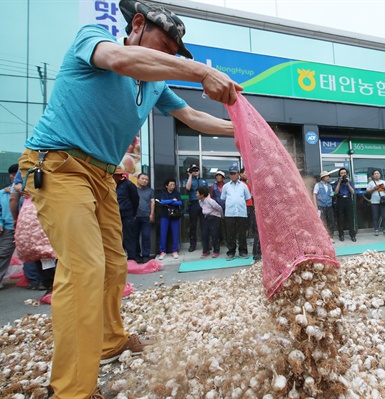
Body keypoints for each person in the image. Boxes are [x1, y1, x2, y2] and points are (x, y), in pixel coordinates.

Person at [17, 1, 242, 396]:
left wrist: (242, 130)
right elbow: (121, 59)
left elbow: (191, 116)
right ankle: (71, 389)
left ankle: (108, 340)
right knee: (84, 269)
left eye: (175, 54)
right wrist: (203, 70)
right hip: (58, 164)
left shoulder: (154, 85)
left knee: (115, 264)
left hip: (103, 177)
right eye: (165, 47)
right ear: (137, 24)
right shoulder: (95, 41)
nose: (168, 57)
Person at [221, 165, 251, 260]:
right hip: (230, 213)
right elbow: (223, 199)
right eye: (231, 174)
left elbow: (247, 198)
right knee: (230, 234)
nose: (233, 175)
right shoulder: (226, 187)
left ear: (238, 174)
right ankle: (231, 252)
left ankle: (243, 251)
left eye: (234, 173)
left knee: (242, 234)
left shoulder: (244, 186)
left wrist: (238, 203)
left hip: (241, 213)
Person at [114, 170, 140, 261]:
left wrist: (133, 213)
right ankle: (120, 258)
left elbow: (135, 200)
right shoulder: (112, 185)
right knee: (117, 237)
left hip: (127, 215)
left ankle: (132, 258)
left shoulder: (128, 185)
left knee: (129, 237)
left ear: (119, 175)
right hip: (115, 215)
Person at [158, 178, 183, 260]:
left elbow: (179, 202)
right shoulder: (163, 193)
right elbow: (162, 202)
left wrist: (168, 202)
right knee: (163, 233)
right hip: (164, 216)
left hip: (175, 216)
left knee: (175, 233)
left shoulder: (177, 193)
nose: (172, 186)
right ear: (166, 186)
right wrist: (172, 200)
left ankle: (175, 250)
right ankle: (162, 251)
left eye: (174, 185)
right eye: (171, 184)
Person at [184, 164, 207, 252]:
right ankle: (192, 245)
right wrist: (190, 175)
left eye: (197, 170)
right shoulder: (188, 180)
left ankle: (206, 244)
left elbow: (207, 193)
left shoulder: (203, 180)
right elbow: (188, 187)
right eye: (193, 170)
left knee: (204, 225)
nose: (195, 171)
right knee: (193, 225)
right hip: (193, 204)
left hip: (203, 203)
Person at [197, 185, 223, 258]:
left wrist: (220, 216)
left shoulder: (211, 201)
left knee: (214, 235)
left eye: (197, 193)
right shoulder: (200, 201)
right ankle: (206, 250)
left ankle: (216, 251)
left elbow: (219, 208)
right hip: (205, 218)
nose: (196, 195)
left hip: (214, 218)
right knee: (204, 235)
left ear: (202, 195)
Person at [134, 172, 155, 263]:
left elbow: (152, 202)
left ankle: (146, 256)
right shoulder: (133, 190)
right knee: (135, 237)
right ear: (138, 179)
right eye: (142, 179)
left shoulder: (150, 190)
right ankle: (136, 255)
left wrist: (151, 214)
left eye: (146, 179)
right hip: (135, 217)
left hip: (146, 216)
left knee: (146, 236)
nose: (144, 181)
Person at [366, 169, 385, 237]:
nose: (376, 175)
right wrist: (374, 188)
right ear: (373, 176)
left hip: (383, 201)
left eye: (378, 173)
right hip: (374, 202)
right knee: (375, 216)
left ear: (380, 174)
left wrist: (383, 187)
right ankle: (376, 230)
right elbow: (367, 191)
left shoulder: (383, 181)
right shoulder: (371, 183)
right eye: (375, 174)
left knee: (384, 216)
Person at [334, 167, 356, 242]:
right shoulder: (337, 182)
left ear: (347, 174)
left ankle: (352, 235)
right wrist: (339, 182)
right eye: (341, 173)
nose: (343, 174)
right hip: (340, 200)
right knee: (340, 217)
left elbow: (353, 192)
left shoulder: (350, 182)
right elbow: (336, 192)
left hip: (348, 199)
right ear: (339, 175)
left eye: (344, 173)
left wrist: (348, 183)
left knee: (350, 217)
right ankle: (341, 234)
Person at [313, 171, 336, 237]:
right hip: (321, 205)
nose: (328, 177)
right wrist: (315, 205)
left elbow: (331, 194)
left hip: (329, 205)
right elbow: (314, 194)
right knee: (322, 220)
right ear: (323, 177)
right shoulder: (318, 185)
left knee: (331, 220)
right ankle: (322, 235)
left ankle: (330, 235)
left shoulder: (329, 185)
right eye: (326, 176)